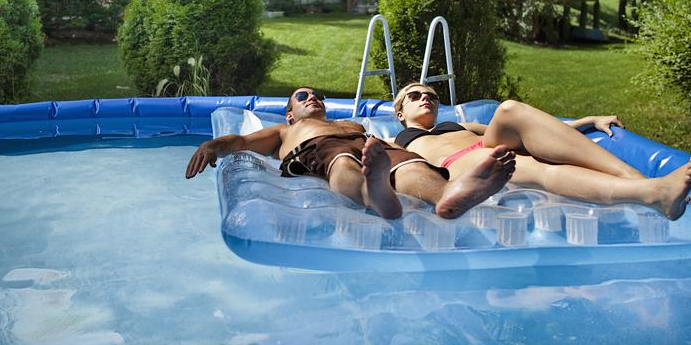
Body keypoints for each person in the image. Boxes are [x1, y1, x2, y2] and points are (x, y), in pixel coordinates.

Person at [186, 87, 517, 219]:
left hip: (373, 147)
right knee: (342, 162)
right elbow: (241, 142)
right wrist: (212, 145)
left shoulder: (349, 123)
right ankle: (374, 194)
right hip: (317, 149)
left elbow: (393, 150)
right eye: (303, 96)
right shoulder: (285, 131)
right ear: (290, 113)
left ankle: (446, 196)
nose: (312, 98)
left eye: (317, 95)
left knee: (409, 166)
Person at [392, 82, 691, 220]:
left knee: (510, 109)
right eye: (415, 95)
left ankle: (647, 184)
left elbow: (542, 133)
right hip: (460, 166)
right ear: (400, 113)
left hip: (483, 147)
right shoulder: (398, 142)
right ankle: (652, 193)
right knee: (533, 167)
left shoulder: (462, 126)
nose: (426, 99)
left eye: (432, 96)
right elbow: (404, 175)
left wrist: (588, 121)